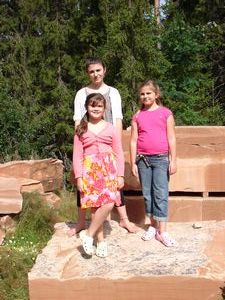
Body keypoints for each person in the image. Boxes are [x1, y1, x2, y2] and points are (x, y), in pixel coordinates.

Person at [69, 57, 137, 236]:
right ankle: (81, 222)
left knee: (115, 185)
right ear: (87, 73)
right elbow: (78, 120)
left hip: (108, 143)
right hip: (88, 144)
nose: (95, 74)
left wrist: (117, 145)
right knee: (82, 183)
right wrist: (82, 142)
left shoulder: (113, 92)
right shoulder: (81, 93)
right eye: (91, 71)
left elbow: (118, 118)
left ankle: (124, 220)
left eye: (98, 70)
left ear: (104, 70)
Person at [73, 93, 124, 257]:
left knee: (108, 203)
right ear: (87, 107)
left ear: (104, 109)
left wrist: (120, 175)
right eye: (92, 105)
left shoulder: (110, 128)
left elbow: (119, 152)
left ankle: (88, 235)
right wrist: (79, 177)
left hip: (109, 171)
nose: (96, 108)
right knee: (95, 207)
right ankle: (101, 241)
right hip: (90, 172)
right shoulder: (81, 128)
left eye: (99, 106)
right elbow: (77, 155)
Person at [130, 80, 177, 247]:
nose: (145, 96)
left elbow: (171, 137)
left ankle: (162, 231)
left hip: (161, 159)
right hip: (142, 160)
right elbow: (134, 140)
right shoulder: (137, 116)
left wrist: (173, 159)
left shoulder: (165, 113)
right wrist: (133, 162)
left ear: (156, 94)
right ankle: (152, 225)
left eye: (148, 93)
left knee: (160, 193)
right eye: (142, 94)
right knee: (148, 194)